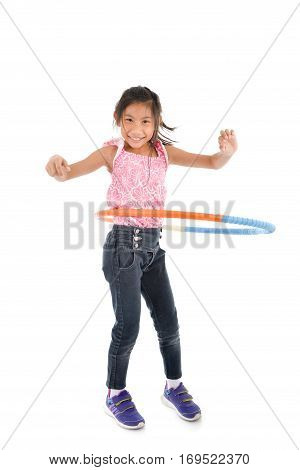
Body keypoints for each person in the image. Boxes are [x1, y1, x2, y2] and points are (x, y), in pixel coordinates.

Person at [45, 85, 238, 430]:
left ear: (156, 122)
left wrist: (226, 153)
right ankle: (115, 394)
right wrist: (55, 166)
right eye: (129, 119)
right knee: (128, 325)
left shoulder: (163, 152)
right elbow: (67, 171)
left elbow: (211, 162)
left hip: (153, 247)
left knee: (169, 322)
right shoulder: (112, 153)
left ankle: (174, 387)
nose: (137, 128)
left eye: (145, 121)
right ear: (118, 120)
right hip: (122, 247)